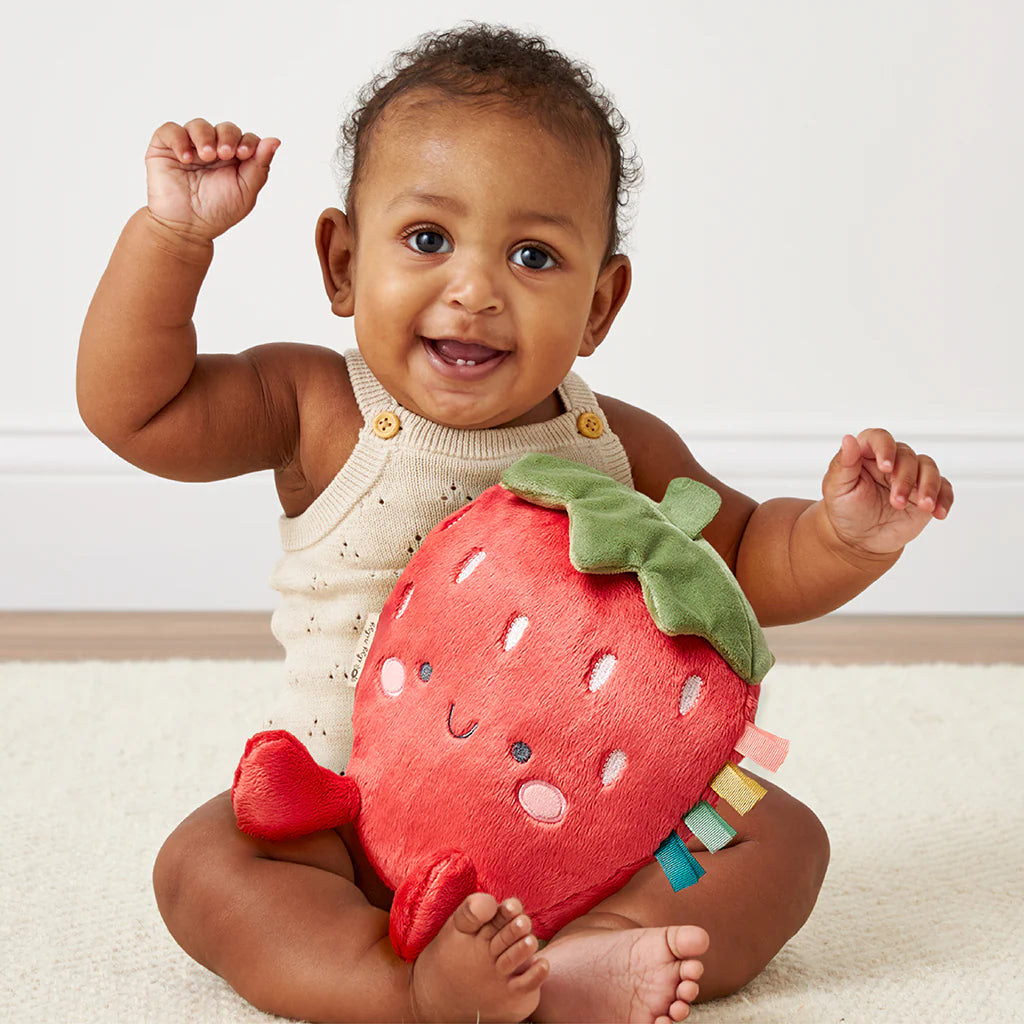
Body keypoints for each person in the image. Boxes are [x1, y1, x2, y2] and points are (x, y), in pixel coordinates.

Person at [77, 23, 952, 1024]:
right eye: (427, 239)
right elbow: (136, 409)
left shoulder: (615, 445)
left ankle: (599, 948)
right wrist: (175, 238)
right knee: (205, 864)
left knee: (779, 836)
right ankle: (405, 985)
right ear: (340, 262)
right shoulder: (317, 407)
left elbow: (748, 558)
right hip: (351, 823)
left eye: (533, 254)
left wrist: (847, 536)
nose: (476, 288)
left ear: (598, 306)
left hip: (595, 831)